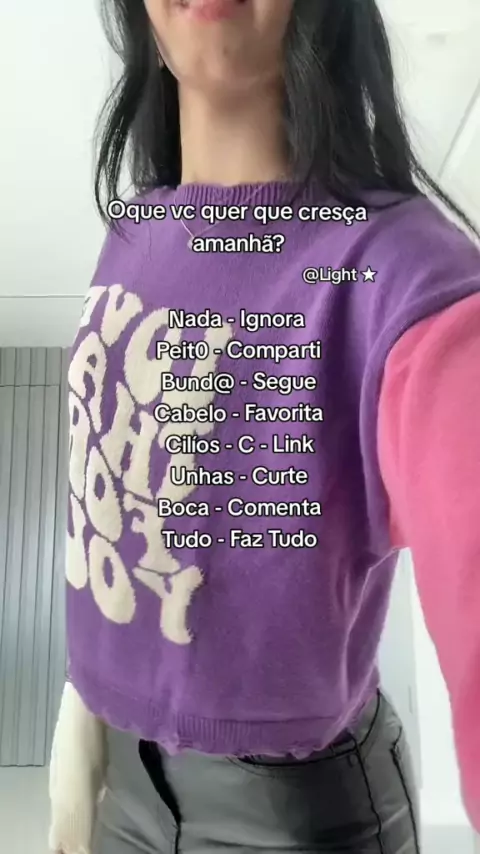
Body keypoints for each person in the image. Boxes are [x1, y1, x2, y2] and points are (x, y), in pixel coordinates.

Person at [48, 0, 480, 852]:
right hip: (118, 784)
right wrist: (87, 706)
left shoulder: (406, 274)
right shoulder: (133, 233)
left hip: (295, 817)